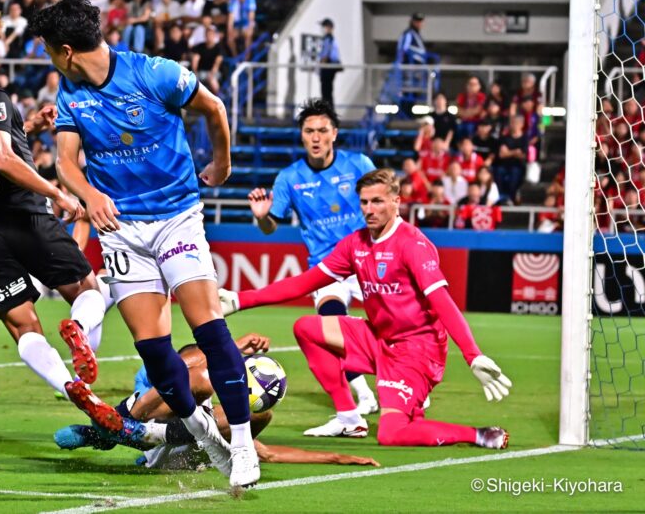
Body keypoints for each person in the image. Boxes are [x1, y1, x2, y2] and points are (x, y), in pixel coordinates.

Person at [29, 0, 260, 488]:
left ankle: (241, 445)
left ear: (66, 50)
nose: (50, 59)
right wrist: (89, 194)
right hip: (124, 231)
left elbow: (214, 107)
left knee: (209, 330)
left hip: (177, 218)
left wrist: (222, 165)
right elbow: (66, 163)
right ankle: (202, 433)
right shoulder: (71, 96)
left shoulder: (153, 72)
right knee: (154, 351)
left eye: (49, 51)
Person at [219, 169, 512, 448]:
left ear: (396, 202)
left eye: (378, 201)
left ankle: (480, 435)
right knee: (306, 328)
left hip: (417, 351)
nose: (369, 209)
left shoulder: (413, 245)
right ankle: (349, 417)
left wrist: (473, 354)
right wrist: (241, 300)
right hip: (379, 339)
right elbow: (304, 283)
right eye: (364, 202)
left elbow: (442, 302)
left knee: (392, 433)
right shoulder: (355, 244)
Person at [0, 4, 117, 432]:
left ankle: (72, 387)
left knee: (22, 325)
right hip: (22, 213)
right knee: (88, 288)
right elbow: (0, 156)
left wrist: (27, 126)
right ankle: (78, 326)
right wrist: (58, 191)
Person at [54, 334, 380, 469]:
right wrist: (235, 348)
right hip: (149, 414)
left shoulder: (222, 411)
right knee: (194, 381)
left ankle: (110, 432)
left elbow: (267, 453)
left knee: (260, 418)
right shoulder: (188, 373)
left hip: (168, 449)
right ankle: (108, 432)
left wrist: (336, 457)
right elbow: (191, 368)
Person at [246, 99, 379, 418]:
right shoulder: (290, 178)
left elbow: (383, 204)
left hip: (367, 259)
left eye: (322, 130)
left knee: (391, 326)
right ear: (302, 136)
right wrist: (263, 216)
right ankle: (364, 396)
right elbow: (269, 227)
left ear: (334, 133)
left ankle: (404, 378)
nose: (316, 137)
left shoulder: (359, 164)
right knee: (331, 328)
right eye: (309, 131)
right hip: (327, 268)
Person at [318, 18, 341, 107]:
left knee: (326, 92)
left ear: (329, 27)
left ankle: (328, 112)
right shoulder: (329, 39)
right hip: (329, 67)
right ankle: (328, 112)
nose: (322, 29)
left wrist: (321, 65)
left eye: (324, 26)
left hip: (328, 67)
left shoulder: (328, 39)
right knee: (327, 92)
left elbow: (325, 55)